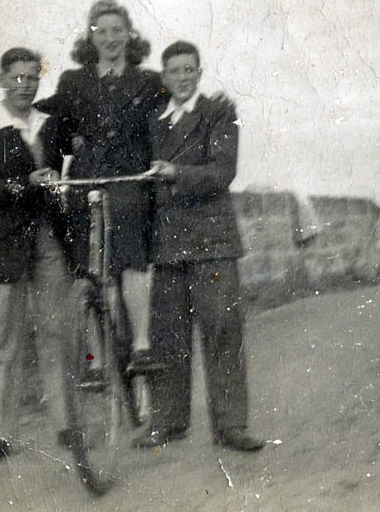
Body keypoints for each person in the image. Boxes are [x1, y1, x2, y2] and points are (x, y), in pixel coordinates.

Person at [133, 41, 264, 452]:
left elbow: (223, 171)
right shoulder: (153, 122)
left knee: (222, 332)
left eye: (189, 69)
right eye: (174, 71)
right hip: (169, 245)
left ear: (200, 73)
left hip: (213, 243)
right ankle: (168, 423)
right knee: (168, 336)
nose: (182, 77)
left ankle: (231, 427)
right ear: (164, 77)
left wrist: (175, 173)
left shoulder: (220, 114)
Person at [0, 47, 82, 467]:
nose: (25, 85)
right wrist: (27, 182)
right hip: (3, 249)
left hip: (49, 242)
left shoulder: (49, 125)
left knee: (57, 334)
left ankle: (67, 424)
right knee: (1, 344)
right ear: (2, 79)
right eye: (17, 77)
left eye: (32, 77)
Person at [44, 0, 167, 386]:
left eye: (118, 30)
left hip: (130, 179)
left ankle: (142, 346)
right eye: (102, 31)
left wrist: (156, 166)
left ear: (130, 35)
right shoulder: (72, 81)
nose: (110, 38)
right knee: (87, 268)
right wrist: (51, 165)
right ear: (90, 37)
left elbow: (159, 133)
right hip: (85, 180)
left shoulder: (148, 82)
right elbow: (55, 133)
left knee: (130, 256)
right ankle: (95, 360)